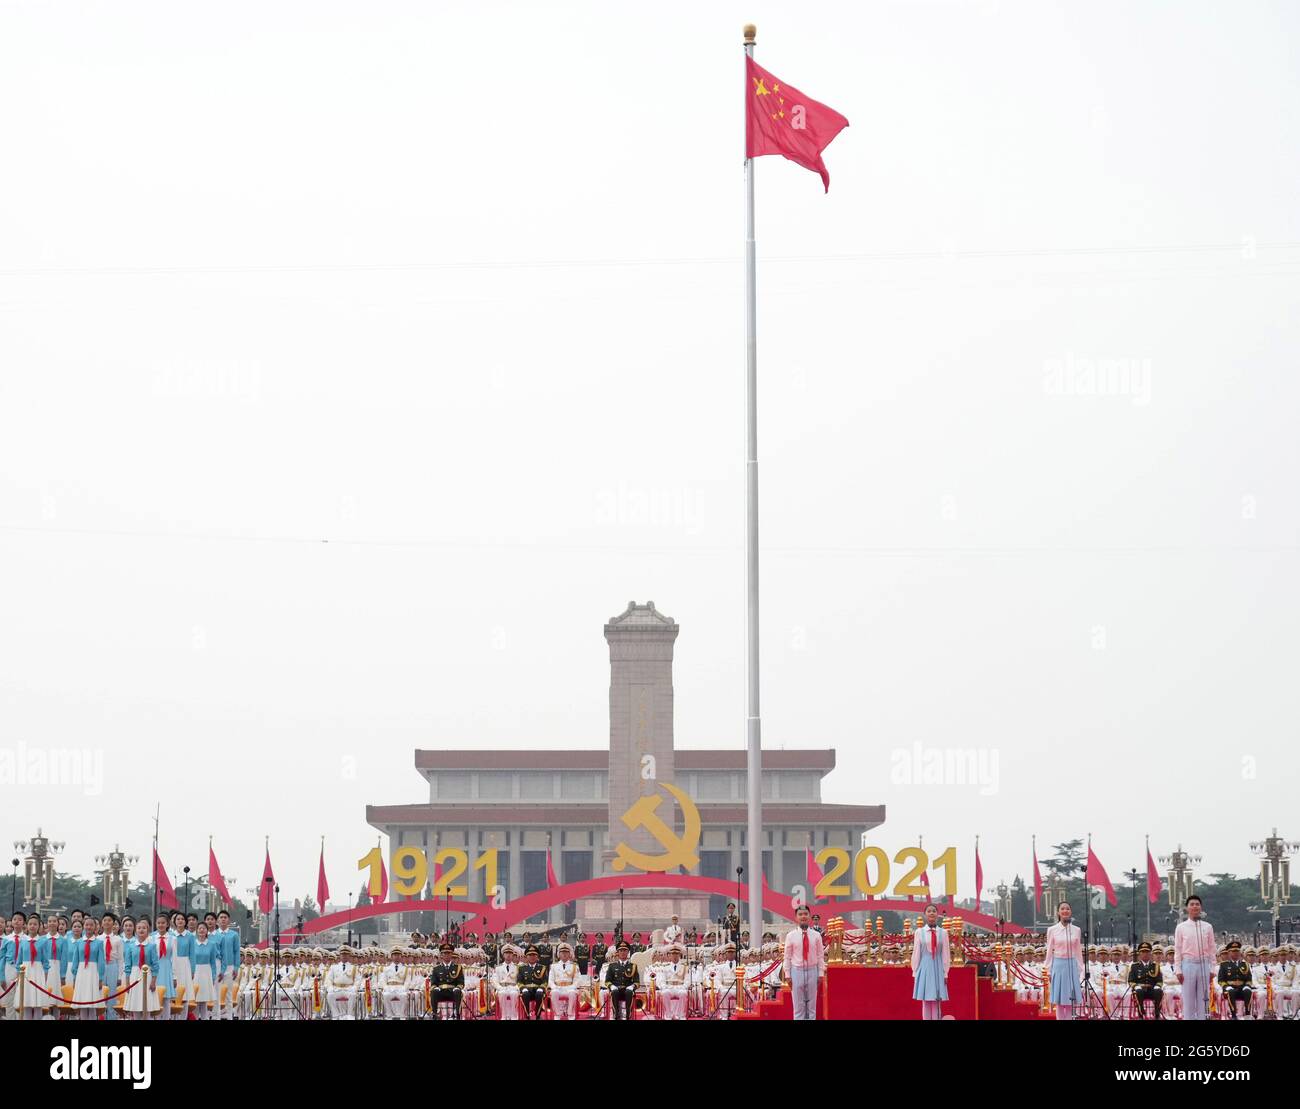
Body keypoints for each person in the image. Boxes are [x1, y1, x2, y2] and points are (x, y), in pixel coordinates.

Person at [1173, 895, 1216, 1021]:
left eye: (1197, 904)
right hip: (1188, 965)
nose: (1195, 906)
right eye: (1192, 904)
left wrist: (1213, 968)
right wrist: (1178, 970)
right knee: (1188, 999)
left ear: (1201, 907)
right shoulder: (1181, 927)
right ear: (1187, 908)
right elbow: (1178, 949)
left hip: (1204, 964)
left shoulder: (1208, 927)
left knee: (1204, 999)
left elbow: (1212, 949)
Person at [783, 904, 827, 1020]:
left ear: (809, 916)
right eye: (800, 914)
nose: (803, 916)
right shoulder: (790, 936)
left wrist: (821, 973)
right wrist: (787, 975)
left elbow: (820, 956)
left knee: (812, 1007)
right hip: (796, 971)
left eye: (805, 914)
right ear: (796, 918)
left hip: (813, 970)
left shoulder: (816, 935)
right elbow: (787, 957)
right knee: (798, 1007)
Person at [1042, 901, 1084, 1020]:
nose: (1065, 911)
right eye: (1062, 909)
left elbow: (1078, 951)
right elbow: (1049, 950)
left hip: (1071, 964)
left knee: (1071, 1000)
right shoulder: (1052, 929)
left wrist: (1080, 968)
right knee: (1060, 1002)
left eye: (1067, 909)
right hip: (1058, 965)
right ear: (1058, 912)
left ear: (1070, 912)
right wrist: (1048, 969)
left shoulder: (1076, 930)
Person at [910, 903, 950, 1020]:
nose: (932, 913)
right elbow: (916, 953)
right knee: (926, 1001)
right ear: (925, 914)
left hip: (938, 967)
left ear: (937, 914)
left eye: (934, 911)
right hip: (925, 967)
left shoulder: (943, 933)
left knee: (937, 1000)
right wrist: (915, 971)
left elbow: (945, 953)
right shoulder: (919, 932)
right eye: (929, 911)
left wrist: (945, 972)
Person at [604, 940, 639, 1020]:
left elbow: (637, 981)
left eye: (625, 950)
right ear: (618, 952)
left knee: (629, 992)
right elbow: (607, 981)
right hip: (616, 990)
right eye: (621, 950)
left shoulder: (633, 966)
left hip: (627, 990)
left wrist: (632, 986)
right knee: (614, 992)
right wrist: (612, 986)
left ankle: (628, 1015)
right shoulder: (612, 966)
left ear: (628, 952)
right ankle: (616, 1014)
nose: (623, 952)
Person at [1217, 940, 1252, 1020]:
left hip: (1242, 988)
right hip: (1230, 988)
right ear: (1229, 953)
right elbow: (1220, 980)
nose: (1236, 953)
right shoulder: (1224, 965)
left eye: (1237, 951)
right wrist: (1227, 986)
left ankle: (1247, 1014)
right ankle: (1233, 1015)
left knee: (1248, 991)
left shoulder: (1245, 964)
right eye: (1233, 951)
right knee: (1231, 992)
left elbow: (1249, 978)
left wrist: (1247, 985)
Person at [430, 941, 465, 1020]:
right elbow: (433, 982)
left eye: (448, 953)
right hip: (441, 991)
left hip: (452, 991)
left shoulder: (457, 967)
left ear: (451, 954)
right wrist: (435, 987)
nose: (446, 955)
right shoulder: (436, 968)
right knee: (433, 991)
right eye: (444, 953)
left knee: (458, 991)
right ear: (441, 955)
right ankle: (434, 1014)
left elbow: (461, 982)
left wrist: (458, 987)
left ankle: (457, 1014)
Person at [1128, 941, 1163, 1019]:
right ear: (1140, 954)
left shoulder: (1155, 966)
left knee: (1159, 991)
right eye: (1143, 952)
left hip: (1152, 990)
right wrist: (1136, 986)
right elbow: (1130, 980)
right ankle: (1141, 1013)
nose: (1145, 954)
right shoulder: (1134, 966)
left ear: (1150, 953)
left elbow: (1160, 980)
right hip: (1140, 991)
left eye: (1147, 952)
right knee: (1138, 992)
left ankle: (1157, 1012)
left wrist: (1157, 986)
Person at [548, 942, 580, 1020]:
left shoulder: (574, 966)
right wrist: (554, 987)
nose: (564, 954)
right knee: (554, 992)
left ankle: (570, 1014)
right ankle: (557, 1014)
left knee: (573, 993)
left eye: (566, 952)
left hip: (570, 988)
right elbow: (550, 980)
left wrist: (572, 987)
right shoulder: (553, 966)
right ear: (559, 954)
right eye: (562, 952)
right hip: (558, 988)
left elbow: (577, 980)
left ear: (570, 954)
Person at [516, 945, 548, 1019]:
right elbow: (519, 981)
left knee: (539, 994)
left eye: (534, 955)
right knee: (525, 994)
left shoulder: (542, 967)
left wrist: (541, 988)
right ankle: (527, 1015)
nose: (532, 957)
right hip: (527, 989)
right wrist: (523, 988)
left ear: (537, 956)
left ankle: (538, 1015)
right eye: (530, 955)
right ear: (526, 957)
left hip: (538, 989)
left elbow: (545, 981)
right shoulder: (521, 968)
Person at [493, 944, 521, 1019]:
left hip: (513, 987)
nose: (508, 955)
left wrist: (516, 987)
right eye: (506, 953)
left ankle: (513, 1015)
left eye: (510, 953)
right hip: (502, 987)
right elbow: (495, 980)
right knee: (502, 993)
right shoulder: (498, 968)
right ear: (503, 955)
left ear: (513, 955)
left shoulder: (517, 967)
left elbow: (520, 980)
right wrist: (499, 987)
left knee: (514, 993)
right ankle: (504, 1015)